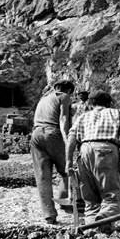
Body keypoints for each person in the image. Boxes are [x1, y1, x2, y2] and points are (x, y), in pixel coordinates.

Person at [66, 90, 120, 232]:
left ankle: (93, 228)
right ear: (109, 103)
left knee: (90, 198)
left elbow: (71, 137)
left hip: (84, 151)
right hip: (106, 151)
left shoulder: (83, 116)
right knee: (112, 195)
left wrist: (68, 161)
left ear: (90, 104)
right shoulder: (116, 113)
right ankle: (104, 217)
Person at [31, 79, 75, 225]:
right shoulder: (64, 96)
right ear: (68, 90)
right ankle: (65, 202)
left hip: (36, 134)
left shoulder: (43, 99)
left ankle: (49, 214)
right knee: (66, 170)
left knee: (43, 176)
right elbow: (63, 118)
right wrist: (66, 139)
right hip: (53, 133)